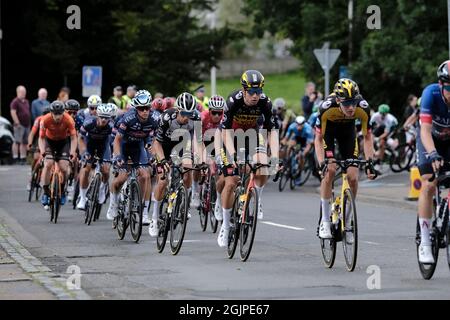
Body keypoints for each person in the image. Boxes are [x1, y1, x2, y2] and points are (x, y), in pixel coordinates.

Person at [217, 70, 276, 248]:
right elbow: (225, 131)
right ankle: (226, 226)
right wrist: (233, 155)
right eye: (251, 92)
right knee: (232, 180)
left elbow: (271, 131)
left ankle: (256, 196)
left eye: (258, 91)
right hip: (230, 137)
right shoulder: (233, 100)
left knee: (263, 165)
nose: (255, 96)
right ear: (244, 91)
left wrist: (275, 156)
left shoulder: (265, 102)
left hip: (252, 135)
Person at [315, 78, 376, 240]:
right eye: (346, 103)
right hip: (329, 133)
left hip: (348, 133)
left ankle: (347, 222)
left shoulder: (363, 107)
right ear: (337, 100)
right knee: (330, 170)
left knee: (353, 177)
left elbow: (368, 137)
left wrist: (370, 162)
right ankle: (325, 221)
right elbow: (318, 139)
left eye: (353, 102)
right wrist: (322, 162)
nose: (350, 107)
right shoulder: (326, 107)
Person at [149, 92, 201, 237]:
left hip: (182, 145)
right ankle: (154, 218)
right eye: (184, 113)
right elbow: (157, 143)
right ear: (178, 110)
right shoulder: (166, 117)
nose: (186, 117)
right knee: (162, 180)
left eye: (189, 114)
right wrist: (163, 161)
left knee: (188, 169)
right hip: (163, 146)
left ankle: (185, 202)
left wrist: (200, 161)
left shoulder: (196, 118)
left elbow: (198, 141)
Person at [415, 60, 450, 263]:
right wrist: (433, 154)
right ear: (441, 84)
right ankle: (426, 242)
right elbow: (425, 131)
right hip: (430, 140)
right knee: (429, 182)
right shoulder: (431, 94)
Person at [107, 90, 158, 225]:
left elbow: (155, 141)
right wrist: (117, 156)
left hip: (138, 146)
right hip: (124, 145)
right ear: (136, 108)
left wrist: (153, 156)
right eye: (141, 109)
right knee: (122, 178)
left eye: (147, 108)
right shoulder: (128, 118)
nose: (145, 111)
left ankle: (145, 213)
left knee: (146, 175)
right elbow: (117, 140)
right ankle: (113, 203)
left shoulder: (154, 119)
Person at [39, 101, 77, 209]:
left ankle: (62, 189)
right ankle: (46, 191)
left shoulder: (69, 119)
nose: (57, 116)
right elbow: (41, 138)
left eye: (59, 113)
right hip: (49, 142)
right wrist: (42, 152)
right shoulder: (45, 119)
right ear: (51, 113)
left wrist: (72, 152)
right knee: (48, 164)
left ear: (63, 112)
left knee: (64, 168)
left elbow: (74, 138)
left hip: (63, 143)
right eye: (55, 114)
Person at [77, 104, 115, 210]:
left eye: (106, 118)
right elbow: (80, 138)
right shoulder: (89, 122)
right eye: (101, 117)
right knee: (86, 170)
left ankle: (102, 188)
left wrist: (115, 155)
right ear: (97, 115)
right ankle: (83, 198)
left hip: (104, 146)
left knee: (106, 170)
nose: (103, 120)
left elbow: (115, 141)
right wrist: (84, 152)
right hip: (90, 145)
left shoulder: (111, 126)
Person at [10, 85, 31, 165]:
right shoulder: (15, 101)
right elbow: (13, 112)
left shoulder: (26, 101)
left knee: (24, 142)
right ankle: (15, 158)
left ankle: (23, 158)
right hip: (19, 124)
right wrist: (17, 122)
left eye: (24, 92)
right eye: (22, 92)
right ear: (18, 92)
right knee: (17, 141)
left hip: (26, 125)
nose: (24, 93)